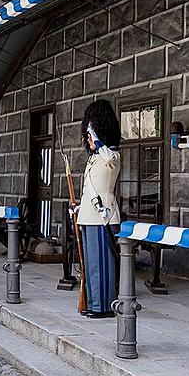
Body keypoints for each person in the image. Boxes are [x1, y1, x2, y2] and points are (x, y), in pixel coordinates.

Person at [76, 99, 121, 319]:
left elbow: (110, 157)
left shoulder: (111, 155)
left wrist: (98, 140)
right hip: (88, 215)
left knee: (103, 263)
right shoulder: (94, 159)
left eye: (91, 132)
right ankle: (93, 303)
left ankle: (104, 305)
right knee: (91, 264)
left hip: (104, 216)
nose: (88, 137)